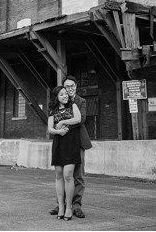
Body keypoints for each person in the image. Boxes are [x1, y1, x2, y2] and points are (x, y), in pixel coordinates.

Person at [49, 75, 92, 218]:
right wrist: (58, 130)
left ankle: (76, 206)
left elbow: (81, 120)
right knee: (61, 174)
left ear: (76, 87)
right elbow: (51, 122)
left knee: (77, 175)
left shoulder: (81, 101)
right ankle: (60, 203)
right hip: (61, 140)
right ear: (63, 88)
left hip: (77, 141)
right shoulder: (58, 103)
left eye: (72, 85)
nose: (70, 89)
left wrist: (62, 124)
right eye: (67, 87)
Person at [48, 85, 83, 221]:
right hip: (58, 142)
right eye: (61, 94)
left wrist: (62, 121)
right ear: (56, 96)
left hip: (71, 142)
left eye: (66, 94)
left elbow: (78, 119)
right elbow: (50, 128)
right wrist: (58, 131)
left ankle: (69, 207)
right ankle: (60, 207)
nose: (65, 96)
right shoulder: (53, 109)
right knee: (58, 174)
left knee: (68, 174)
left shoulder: (73, 105)